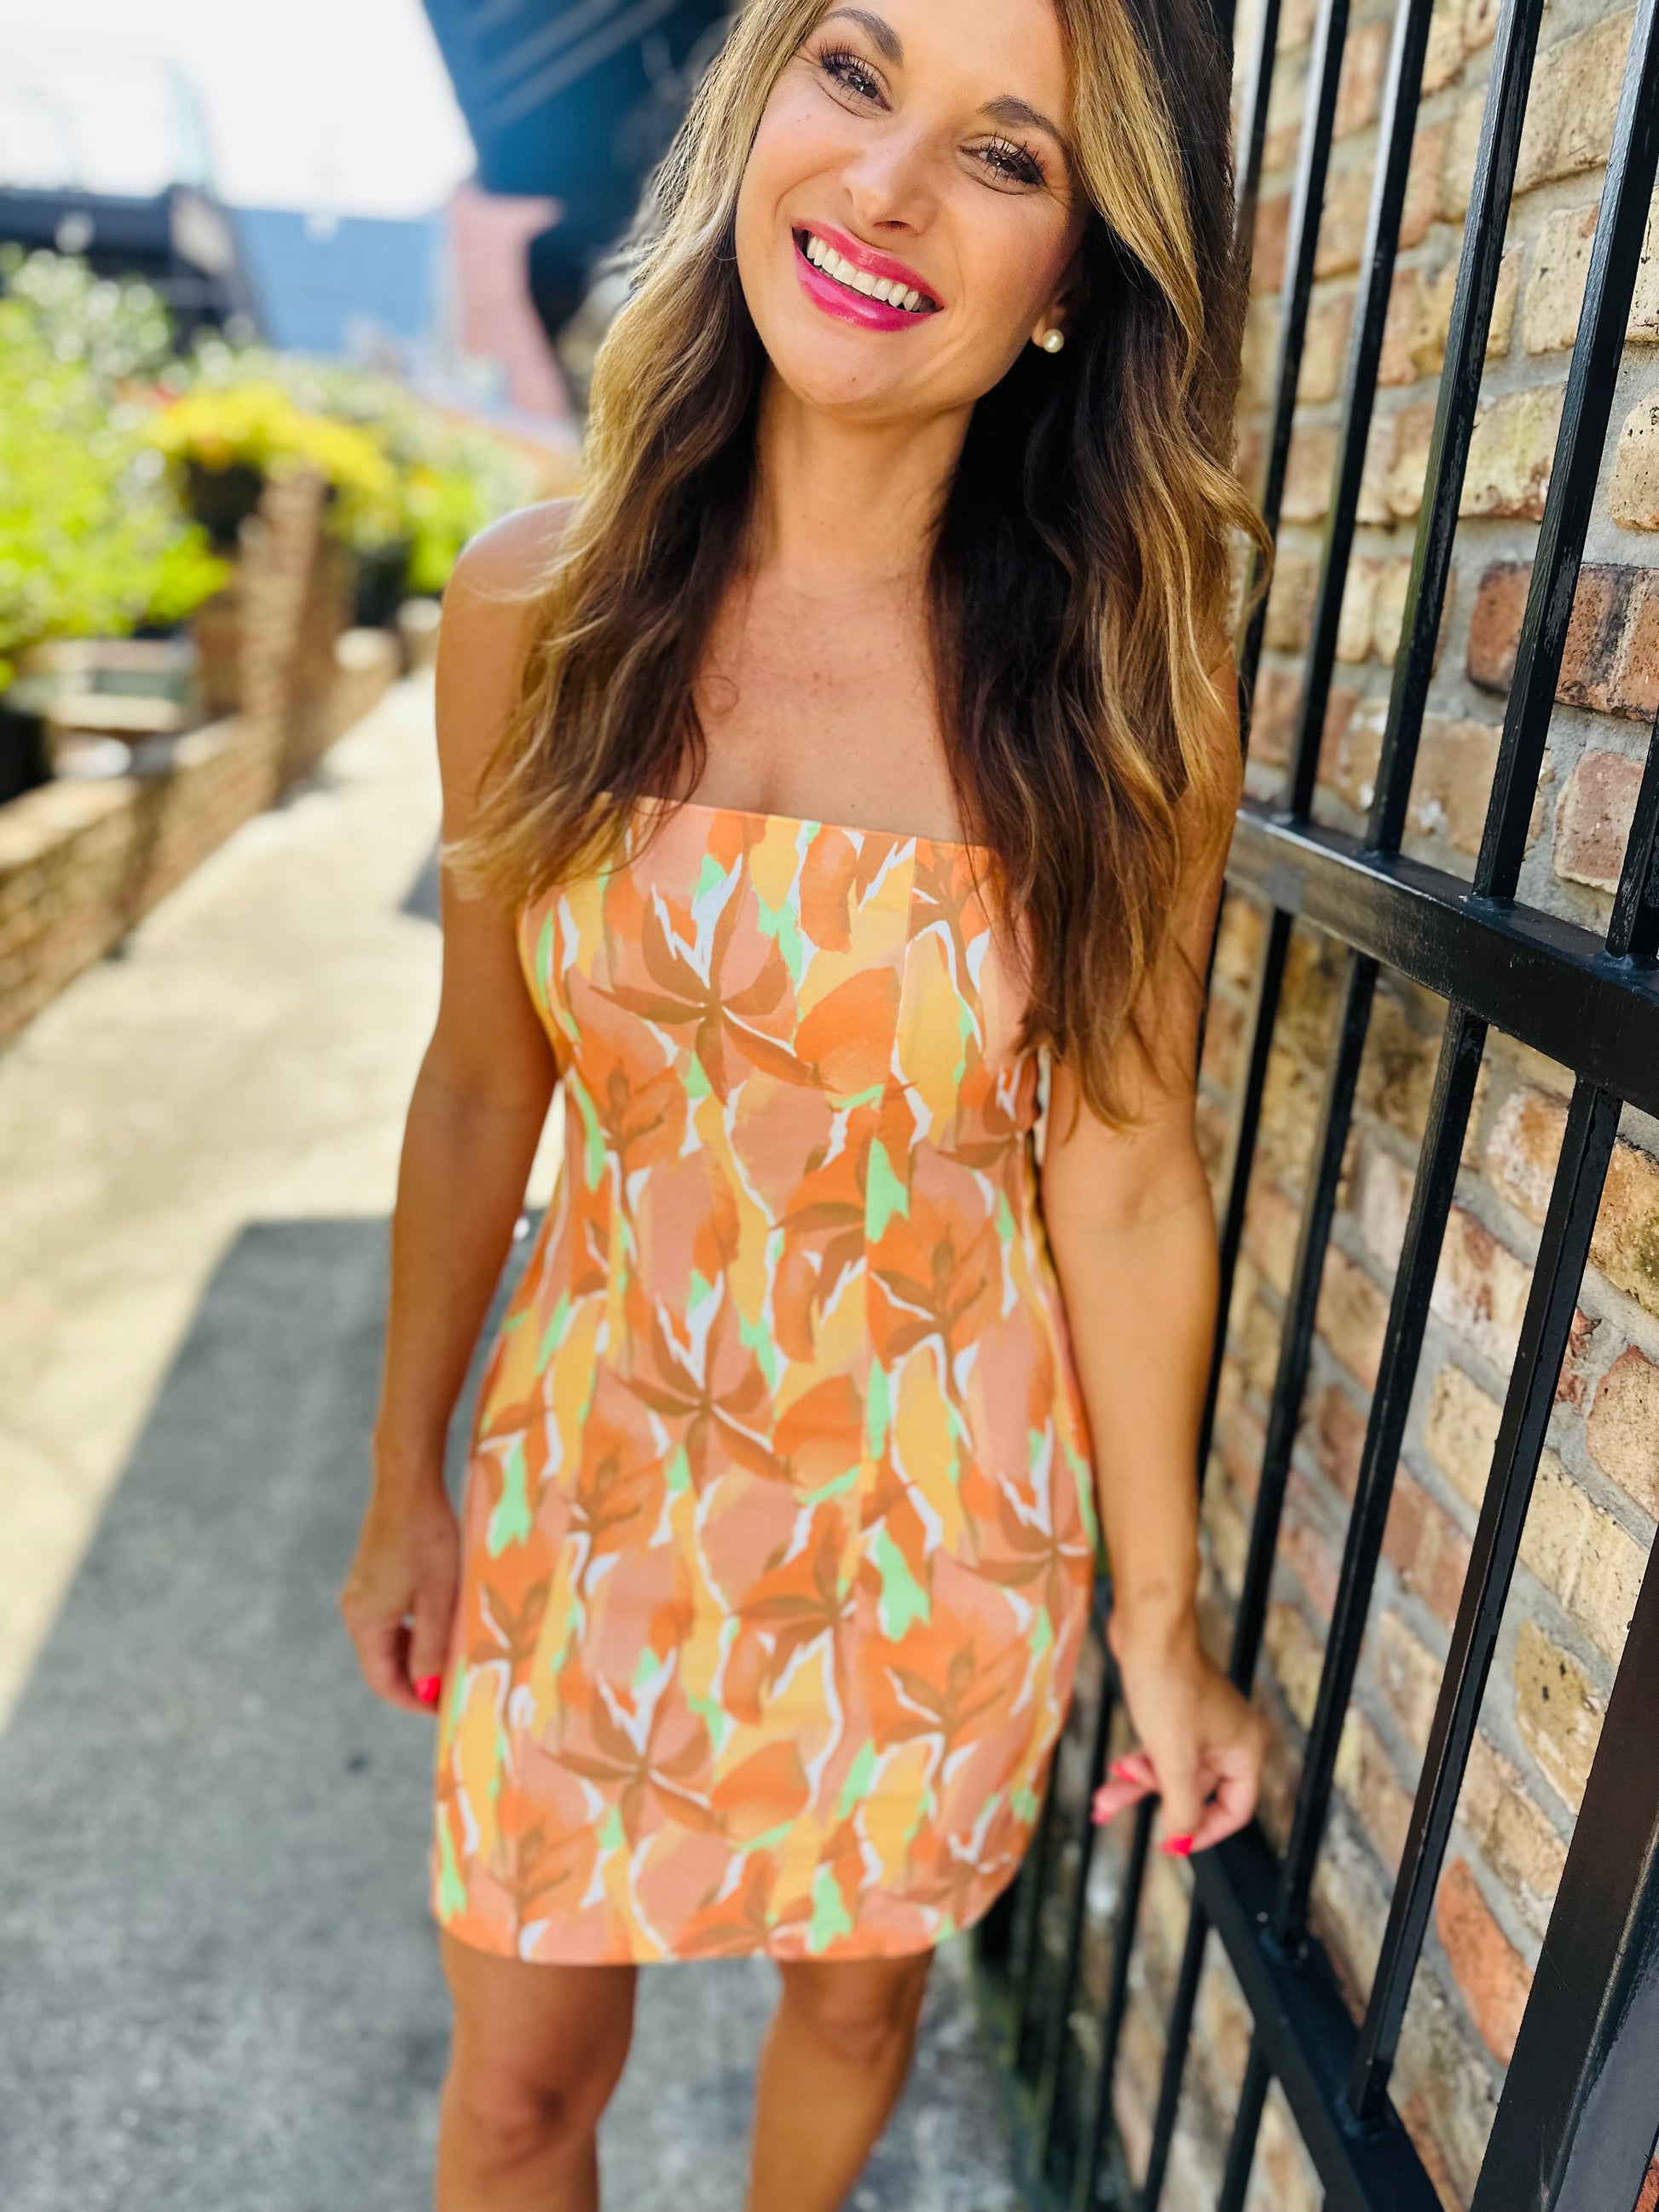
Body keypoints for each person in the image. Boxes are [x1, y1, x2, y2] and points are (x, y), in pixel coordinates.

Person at [340, 0, 1272, 2203]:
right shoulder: (532, 607)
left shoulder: (1118, 690)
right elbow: (479, 1083)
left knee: (853, 2009)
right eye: (853, 74)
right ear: (760, 102)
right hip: (594, 1487)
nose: (886, 185)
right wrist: (406, 1477)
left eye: (1005, 154)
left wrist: (1159, 1626)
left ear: (1076, 279)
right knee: (517, 2094)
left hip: (935, 1517)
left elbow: (1129, 1174)